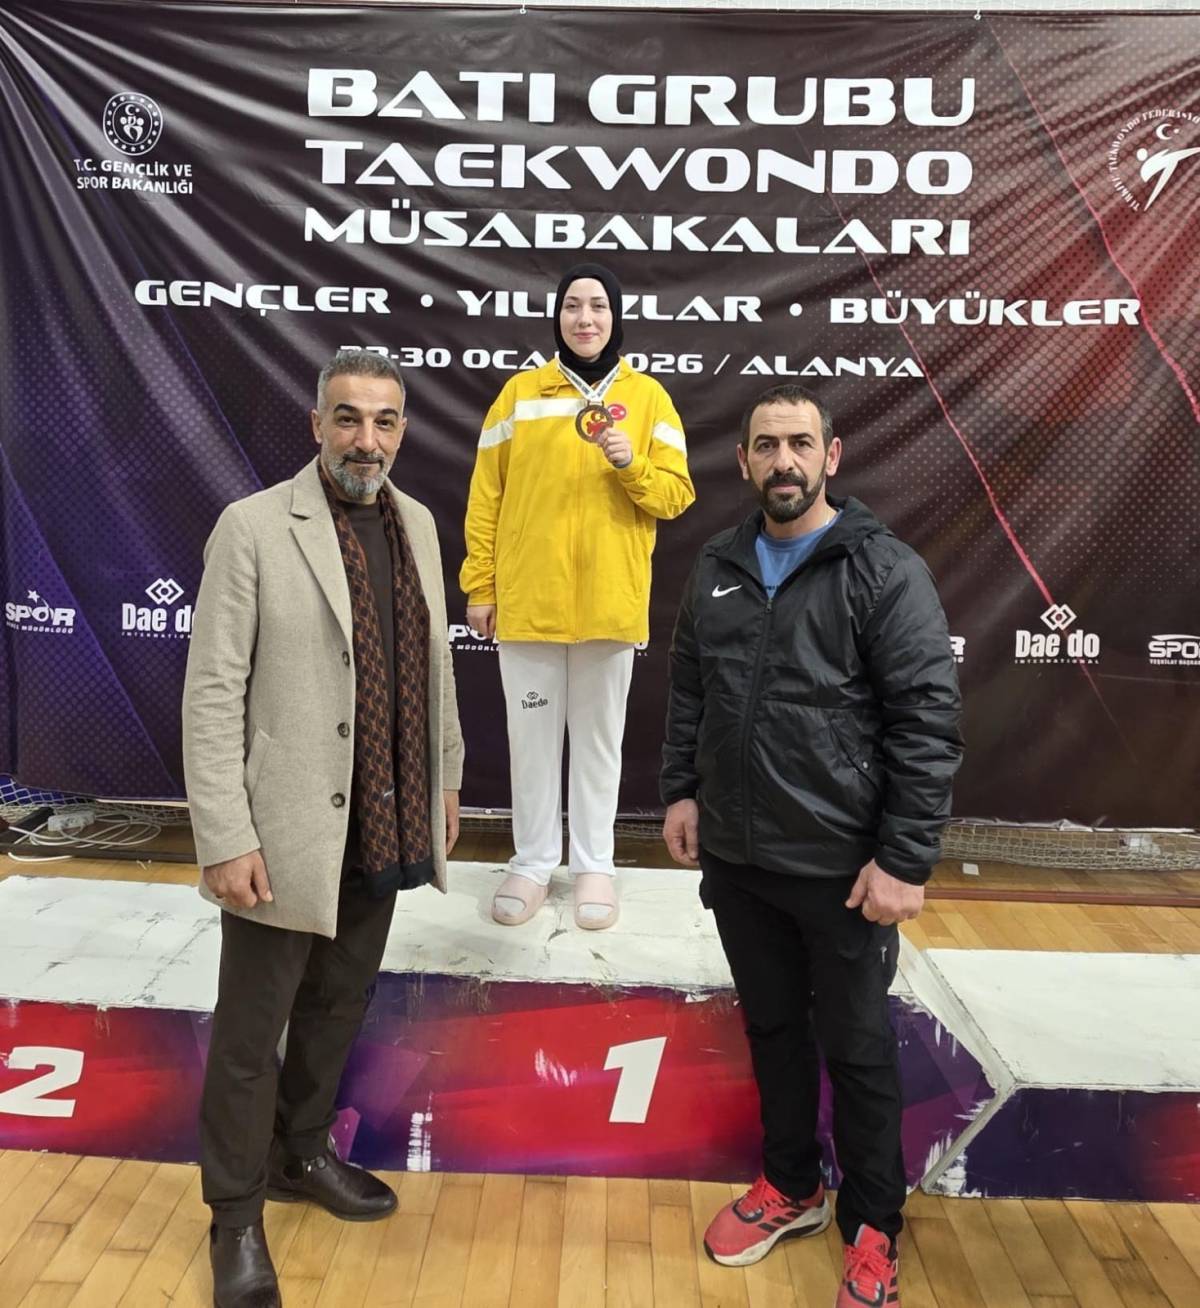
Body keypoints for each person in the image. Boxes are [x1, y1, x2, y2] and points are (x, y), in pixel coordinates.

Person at [660, 384, 962, 1307]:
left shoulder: (883, 570)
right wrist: (681, 790)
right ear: (743, 461)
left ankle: (874, 1227)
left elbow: (926, 720)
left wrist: (904, 858)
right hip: (740, 861)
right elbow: (689, 687)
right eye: (766, 445)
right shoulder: (717, 563)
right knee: (773, 1031)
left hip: (841, 869)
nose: (783, 460)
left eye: (800, 443)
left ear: (831, 456)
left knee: (858, 1049)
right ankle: (791, 1184)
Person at [182, 349, 464, 1308]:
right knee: (250, 1037)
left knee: (338, 1005)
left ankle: (300, 1156)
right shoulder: (253, 527)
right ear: (316, 426)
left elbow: (434, 666)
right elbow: (212, 694)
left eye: (383, 422)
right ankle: (234, 1217)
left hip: (386, 822)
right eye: (347, 418)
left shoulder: (417, 524)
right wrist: (225, 833)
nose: (365, 440)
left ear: (403, 432)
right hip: (282, 833)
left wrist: (445, 779)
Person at [461, 263, 694, 931]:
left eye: (597, 306)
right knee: (531, 740)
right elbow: (486, 496)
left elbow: (676, 495)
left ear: (615, 317)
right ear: (557, 317)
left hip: (608, 605)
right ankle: (533, 861)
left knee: (598, 745)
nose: (584, 318)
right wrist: (482, 584)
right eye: (572, 306)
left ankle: (595, 864)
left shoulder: (648, 398)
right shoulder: (520, 394)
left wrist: (631, 464)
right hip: (529, 605)